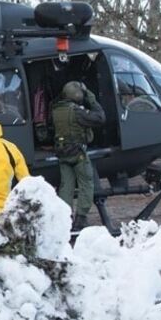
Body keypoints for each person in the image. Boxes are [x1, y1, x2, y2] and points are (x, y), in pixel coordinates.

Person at [51, 81, 106, 232]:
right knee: (87, 184)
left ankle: (65, 220)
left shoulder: (56, 110)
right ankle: (81, 219)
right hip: (77, 153)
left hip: (62, 154)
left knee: (66, 187)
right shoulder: (77, 112)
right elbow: (100, 118)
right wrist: (91, 98)